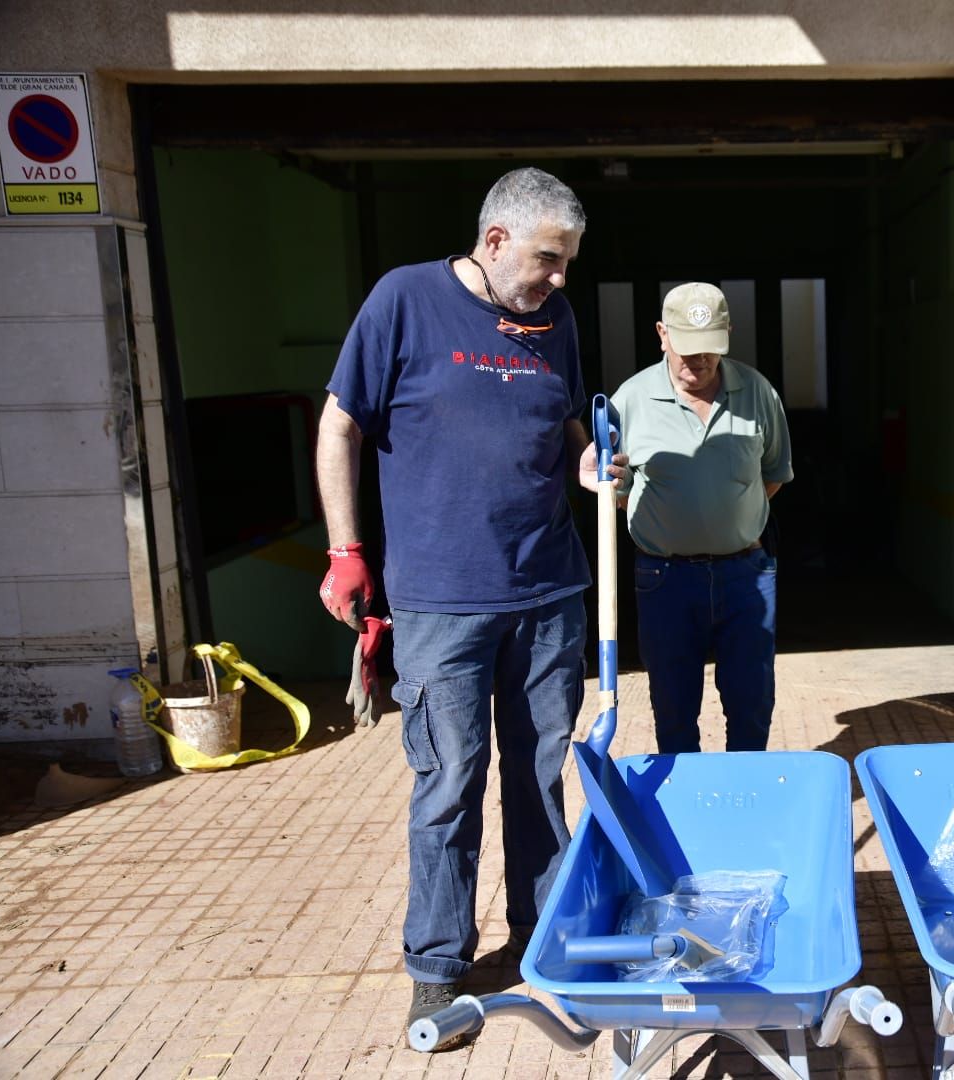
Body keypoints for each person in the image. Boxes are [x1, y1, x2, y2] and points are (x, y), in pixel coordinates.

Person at [314, 167, 625, 1044]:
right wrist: (345, 551)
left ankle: (544, 944)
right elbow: (340, 423)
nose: (560, 279)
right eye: (548, 260)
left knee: (539, 779)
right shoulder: (404, 302)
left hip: (548, 592)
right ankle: (439, 970)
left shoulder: (554, 321)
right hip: (442, 603)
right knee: (450, 785)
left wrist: (588, 463)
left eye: (567, 262)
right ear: (494, 243)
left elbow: (562, 423)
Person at [610, 282, 792, 754]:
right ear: (661, 335)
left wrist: (725, 517)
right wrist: (674, 524)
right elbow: (616, 492)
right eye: (687, 349)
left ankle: (747, 806)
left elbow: (773, 474)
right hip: (664, 577)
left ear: (728, 333)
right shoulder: (629, 400)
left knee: (752, 704)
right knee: (672, 708)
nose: (698, 361)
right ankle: (686, 813)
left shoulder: (757, 392)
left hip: (745, 575)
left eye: (710, 348)